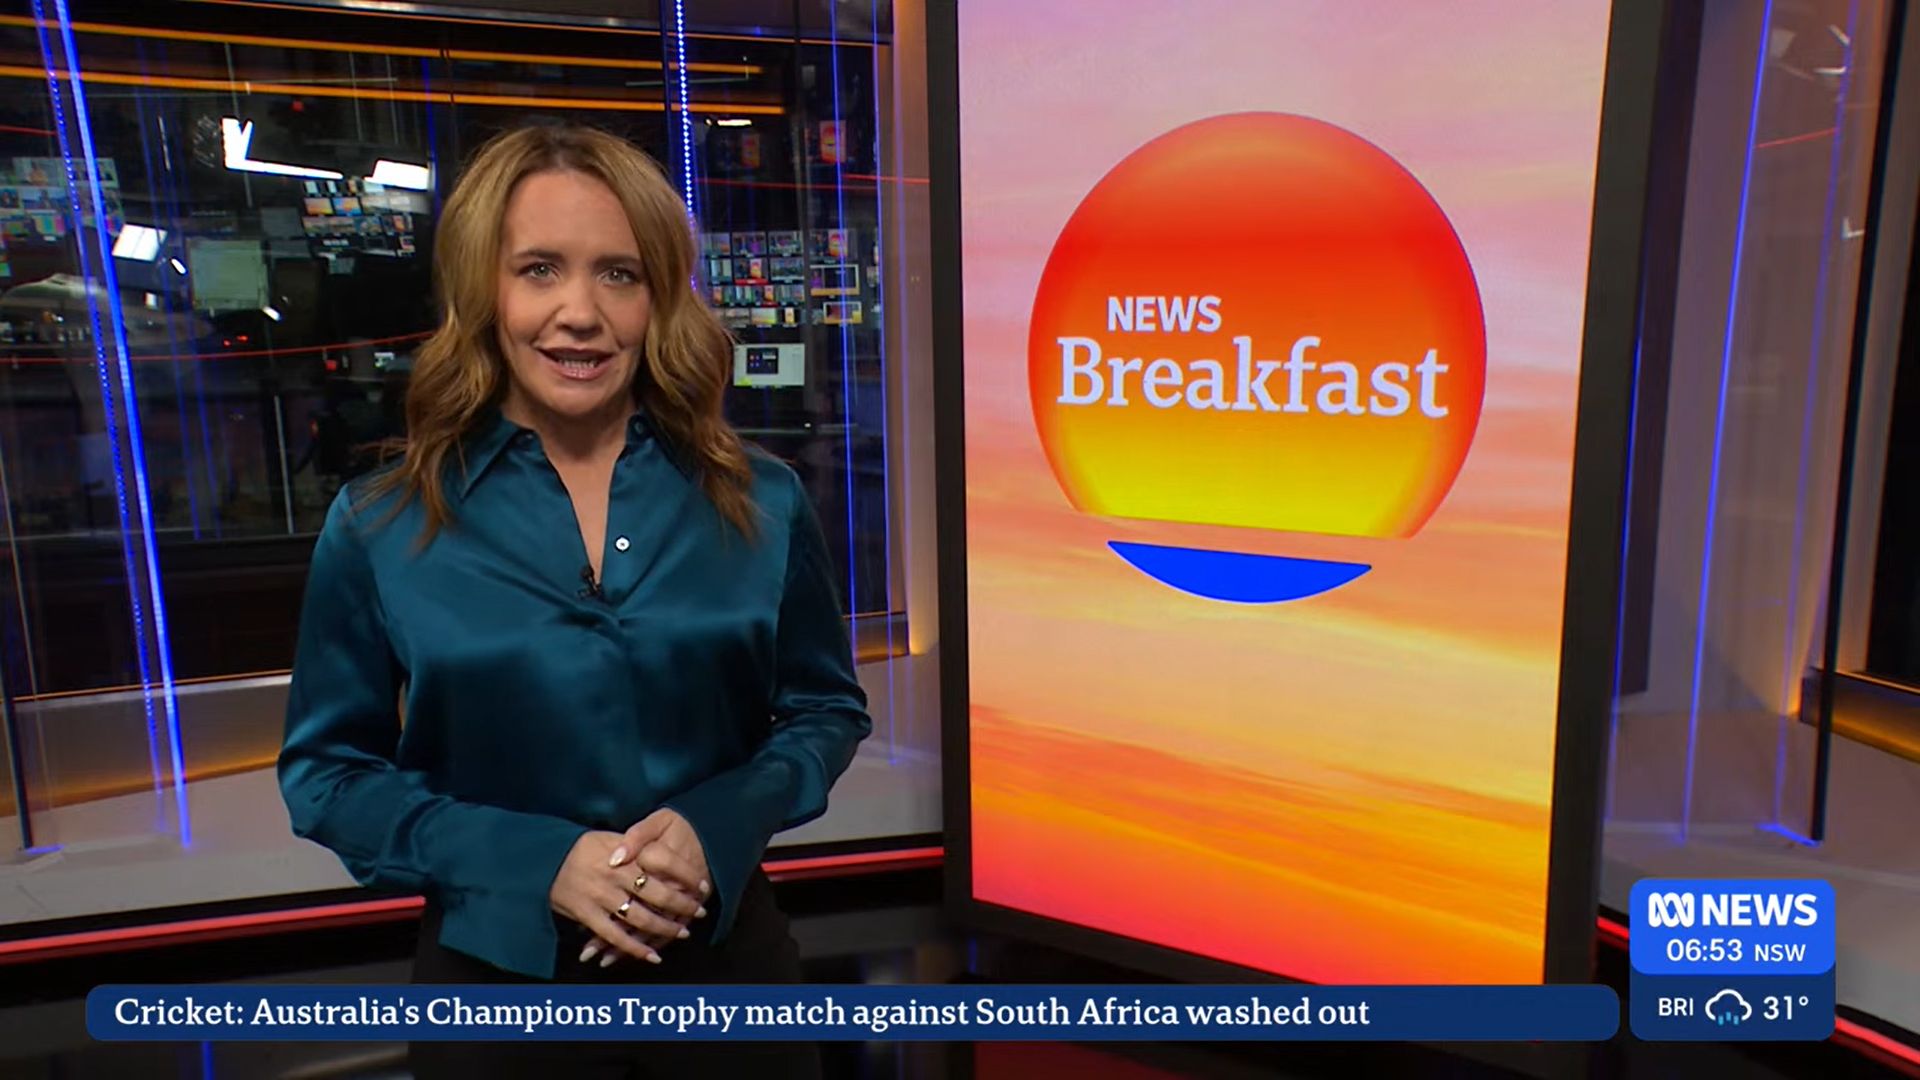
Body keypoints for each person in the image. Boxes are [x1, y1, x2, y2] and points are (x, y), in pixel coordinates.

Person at [277, 123, 872, 1079]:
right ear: (484, 293)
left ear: (658, 298)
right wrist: (535, 862)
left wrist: (716, 825)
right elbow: (329, 776)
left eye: (619, 274)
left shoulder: (761, 499)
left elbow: (824, 710)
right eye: (540, 270)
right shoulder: (381, 522)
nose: (580, 313)